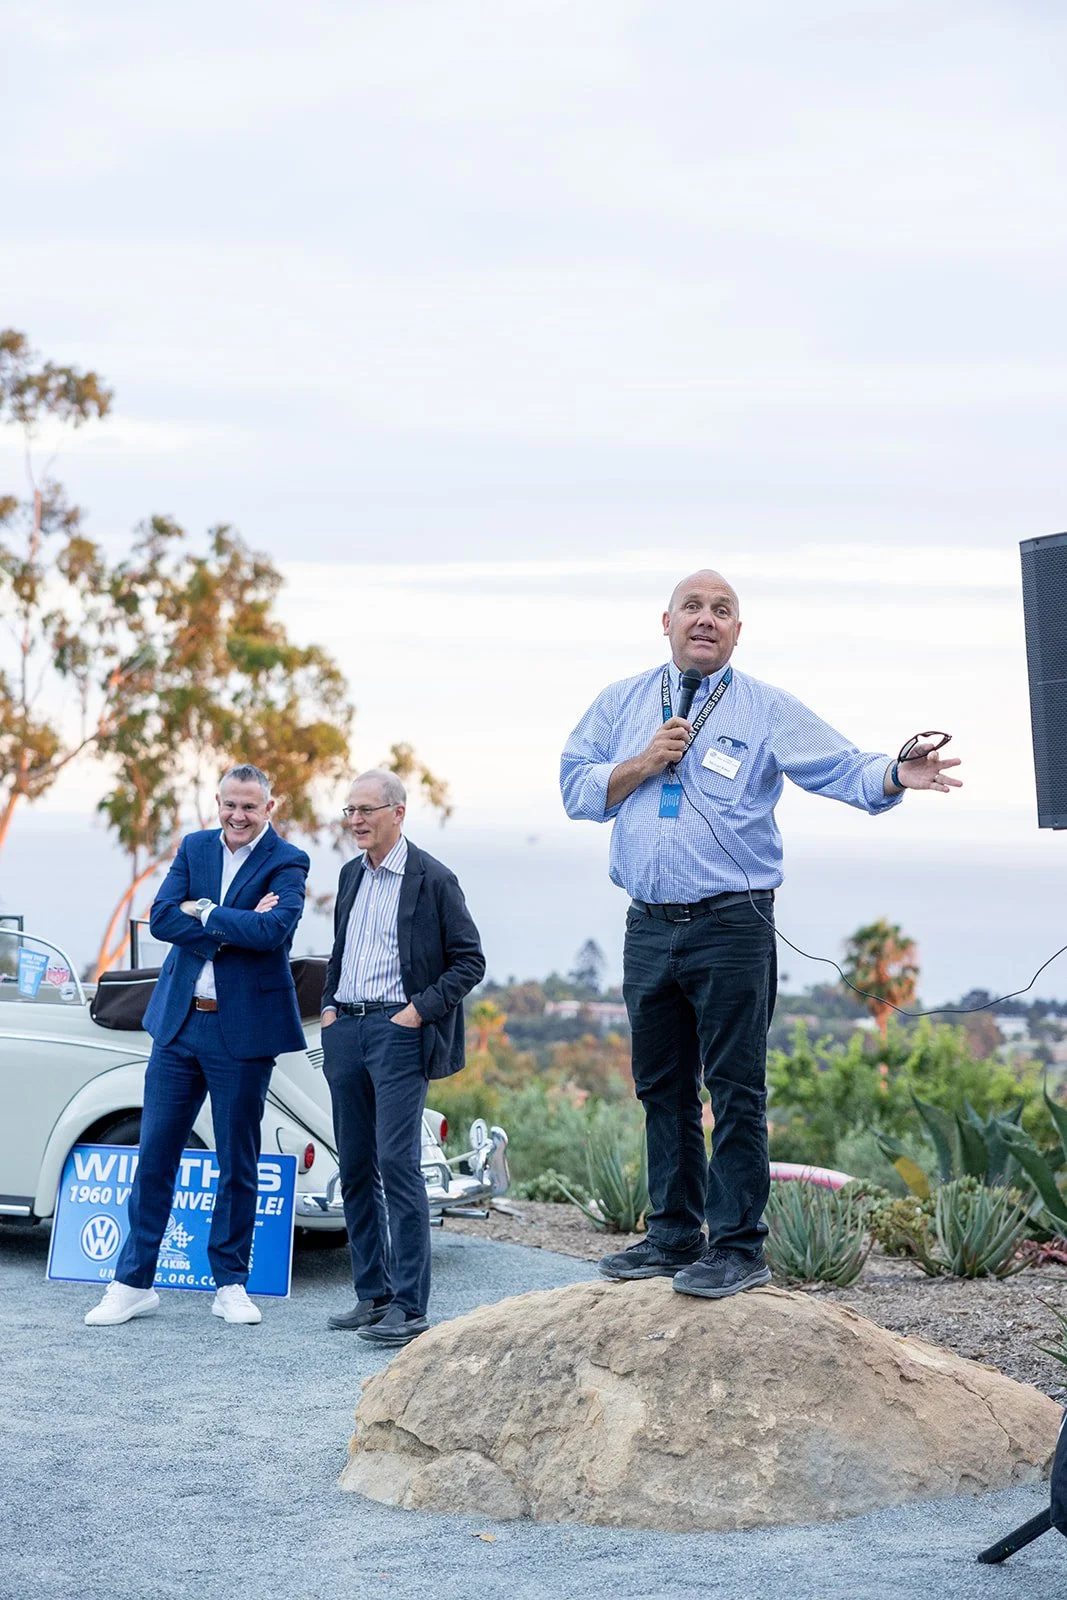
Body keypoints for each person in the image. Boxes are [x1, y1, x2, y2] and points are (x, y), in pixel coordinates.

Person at [560, 569, 961, 1300]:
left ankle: (738, 1246)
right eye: (692, 607)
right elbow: (575, 788)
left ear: (737, 632)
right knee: (660, 1089)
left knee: (735, 1090)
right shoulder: (620, 703)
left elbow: (843, 767)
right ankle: (672, 1234)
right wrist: (643, 761)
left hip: (731, 924)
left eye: (722, 610)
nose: (705, 619)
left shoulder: (765, 708)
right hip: (647, 926)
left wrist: (897, 775)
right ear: (665, 621)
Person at [85, 765, 310, 1327]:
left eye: (249, 807)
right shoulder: (195, 848)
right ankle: (132, 1282)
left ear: (270, 808)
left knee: (237, 1160)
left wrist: (205, 911)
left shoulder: (288, 861)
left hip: (243, 1034)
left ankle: (230, 1283)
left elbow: (272, 933)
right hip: (179, 1025)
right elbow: (162, 919)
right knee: (156, 1152)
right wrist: (233, 922)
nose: (237, 816)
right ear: (218, 802)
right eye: (229, 805)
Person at [320, 769, 485, 1347]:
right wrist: (329, 1009)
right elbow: (340, 950)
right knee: (356, 1166)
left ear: (398, 812)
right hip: (347, 1031)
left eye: (367, 810)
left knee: (397, 1164)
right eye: (350, 811)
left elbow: (469, 961)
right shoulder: (349, 876)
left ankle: (410, 1307)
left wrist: (417, 1012)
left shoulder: (433, 879)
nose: (357, 821)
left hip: (397, 1032)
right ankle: (374, 1295)